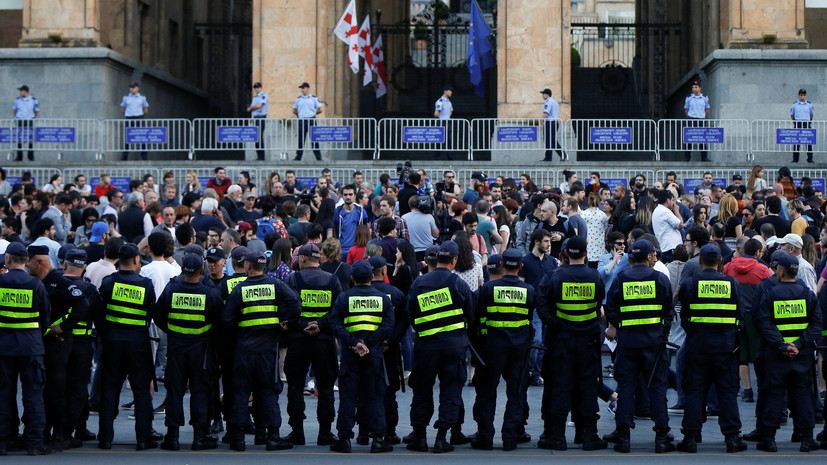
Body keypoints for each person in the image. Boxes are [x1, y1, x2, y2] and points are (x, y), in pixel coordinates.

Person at [221, 249, 299, 451]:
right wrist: (284, 321)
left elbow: (227, 321)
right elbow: (295, 304)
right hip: (267, 350)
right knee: (268, 392)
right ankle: (271, 436)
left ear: (247, 266)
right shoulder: (275, 285)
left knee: (240, 392)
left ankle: (237, 438)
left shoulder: (240, 289)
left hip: (245, 349)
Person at [535, 237, 607, 451]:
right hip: (587, 341)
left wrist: (555, 324)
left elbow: (541, 304)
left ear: (565, 253)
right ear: (585, 254)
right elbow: (598, 306)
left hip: (561, 341)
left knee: (559, 387)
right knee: (587, 387)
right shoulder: (595, 277)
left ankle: (556, 436)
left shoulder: (553, 277)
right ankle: (588, 435)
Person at [604, 239, 675, 453]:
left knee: (626, 388)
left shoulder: (621, 279)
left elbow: (612, 310)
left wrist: (621, 327)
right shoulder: (660, 279)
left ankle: (623, 435)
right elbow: (668, 311)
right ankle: (662, 436)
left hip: (628, 343)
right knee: (657, 388)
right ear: (649, 257)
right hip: (654, 344)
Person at [675, 244, 747, 453]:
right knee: (726, 392)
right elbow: (739, 315)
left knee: (694, 391)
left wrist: (695, 332)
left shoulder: (689, 284)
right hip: (725, 348)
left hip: (697, 346)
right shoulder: (731, 283)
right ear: (720, 262)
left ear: (699, 261)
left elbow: (685, 316)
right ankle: (732, 438)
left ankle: (690, 437)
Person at [405, 241, 475, 453]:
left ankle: (419, 437)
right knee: (450, 390)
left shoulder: (419, 283)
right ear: (454, 261)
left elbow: (410, 313)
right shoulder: (458, 284)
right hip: (453, 348)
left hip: (426, 347)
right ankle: (442, 438)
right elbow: (471, 315)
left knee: (422, 390)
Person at [754, 254, 822, 452]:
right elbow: (816, 324)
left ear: (781, 271)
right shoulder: (807, 295)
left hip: (777, 355)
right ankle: (806, 438)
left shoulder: (771, 294)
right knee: (803, 395)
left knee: (775, 395)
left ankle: (769, 439)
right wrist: (799, 344)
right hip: (801, 355)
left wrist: (782, 345)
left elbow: (763, 322)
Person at [154, 254, 222, 451]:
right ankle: (200, 436)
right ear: (201, 271)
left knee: (174, 391)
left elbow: (158, 316)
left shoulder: (171, 290)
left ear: (183, 270)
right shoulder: (209, 293)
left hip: (176, 349)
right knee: (200, 391)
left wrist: (174, 331)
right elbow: (221, 321)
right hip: (201, 351)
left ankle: (172, 436)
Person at [470, 248, 535, 451]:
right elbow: (529, 318)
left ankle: (485, 436)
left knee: (486, 392)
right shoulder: (529, 291)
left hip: (493, 347)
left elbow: (479, 319)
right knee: (516, 392)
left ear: (501, 265)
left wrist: (481, 340)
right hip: (519, 348)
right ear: (521, 267)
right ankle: (510, 438)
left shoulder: (489, 289)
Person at [327, 260, 395, 453]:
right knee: (375, 394)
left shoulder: (344, 298)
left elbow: (336, 323)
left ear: (352, 278)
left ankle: (344, 439)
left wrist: (354, 342)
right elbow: (388, 326)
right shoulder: (383, 299)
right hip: (373, 353)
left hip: (351, 353)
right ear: (372, 277)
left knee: (348, 396)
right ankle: (377, 439)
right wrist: (369, 343)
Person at [97, 243, 158, 450]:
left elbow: (100, 312)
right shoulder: (146, 285)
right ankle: (143, 438)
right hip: (137, 344)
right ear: (135, 260)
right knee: (141, 392)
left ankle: (105, 438)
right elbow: (151, 313)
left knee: (109, 390)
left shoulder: (108, 283)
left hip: (112, 343)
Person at [28, 244, 89, 451]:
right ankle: (40, 431)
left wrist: (63, 326)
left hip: (58, 345)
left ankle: (60, 432)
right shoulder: (34, 282)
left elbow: (82, 305)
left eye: (29, 262)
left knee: (56, 389)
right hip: (38, 344)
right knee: (39, 388)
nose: (26, 265)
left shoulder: (58, 281)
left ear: (40, 262)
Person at [282, 243, 342, 446]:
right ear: (320, 259)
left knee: (296, 386)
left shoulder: (293, 279)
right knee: (325, 388)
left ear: (304, 259)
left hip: (299, 339)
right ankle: (325, 432)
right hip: (324, 341)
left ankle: (297, 431)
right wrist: (320, 324)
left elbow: (287, 309)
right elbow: (338, 310)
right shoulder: (332, 280)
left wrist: (302, 324)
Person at [0, 242, 52, 455]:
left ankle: (3, 441)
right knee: (33, 395)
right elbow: (45, 316)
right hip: (31, 346)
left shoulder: (0, 282)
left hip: (3, 348)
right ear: (27, 261)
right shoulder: (35, 284)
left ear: (8, 259)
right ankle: (34, 443)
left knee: (3, 394)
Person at [366, 255, 408, 444]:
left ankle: (364, 431)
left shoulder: (358, 293)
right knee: (389, 391)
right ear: (384, 271)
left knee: (364, 390)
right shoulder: (396, 293)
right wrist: (391, 340)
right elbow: (404, 321)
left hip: (364, 349)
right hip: (388, 349)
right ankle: (390, 432)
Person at [61, 249, 101, 447]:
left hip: (58, 342)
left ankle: (62, 429)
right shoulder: (90, 290)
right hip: (82, 345)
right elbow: (100, 317)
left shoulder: (55, 285)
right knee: (79, 388)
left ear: (64, 264)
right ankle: (76, 429)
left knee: (59, 386)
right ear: (84, 268)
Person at [293, 82, 323, 161]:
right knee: (301, 139)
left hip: (311, 119)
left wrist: (312, 114)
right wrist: (300, 115)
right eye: (301, 88)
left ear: (308, 88)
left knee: (314, 139)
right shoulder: (299, 99)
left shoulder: (313, 98)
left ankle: (318, 157)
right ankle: (298, 156)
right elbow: (294, 110)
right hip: (302, 120)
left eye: (303, 88)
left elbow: (320, 109)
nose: (302, 90)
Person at [652, 189, 684, 263]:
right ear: (668, 200)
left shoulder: (657, 210)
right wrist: (677, 211)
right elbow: (680, 224)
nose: (673, 203)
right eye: (672, 200)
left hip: (664, 248)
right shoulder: (665, 211)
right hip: (670, 249)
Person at [120, 81, 149, 161]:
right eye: (130, 87)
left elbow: (146, 108)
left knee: (142, 137)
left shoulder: (142, 98)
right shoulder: (126, 98)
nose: (131, 89)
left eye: (133, 87)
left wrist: (141, 114)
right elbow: (123, 108)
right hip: (129, 118)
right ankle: (124, 157)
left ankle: (144, 157)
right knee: (127, 138)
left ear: (137, 88)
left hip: (139, 118)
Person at [683, 80, 710, 162]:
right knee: (689, 139)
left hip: (701, 119)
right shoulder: (689, 98)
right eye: (693, 88)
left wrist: (703, 116)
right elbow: (686, 109)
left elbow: (707, 109)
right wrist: (689, 116)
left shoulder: (704, 98)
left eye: (696, 87)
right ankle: (687, 157)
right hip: (692, 119)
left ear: (700, 88)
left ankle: (704, 157)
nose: (694, 89)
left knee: (702, 139)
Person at [13, 84, 38, 162]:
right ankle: (19, 156)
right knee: (19, 139)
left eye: (21, 91)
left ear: (25, 91)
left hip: (29, 120)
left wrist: (31, 117)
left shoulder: (33, 100)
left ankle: (31, 156)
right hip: (20, 120)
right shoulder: (17, 100)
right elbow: (15, 110)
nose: (20, 92)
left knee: (30, 139)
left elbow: (36, 111)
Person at [791, 88, 815, 163]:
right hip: (798, 124)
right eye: (801, 95)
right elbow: (792, 115)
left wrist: (808, 122)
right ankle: (795, 159)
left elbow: (811, 115)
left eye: (804, 95)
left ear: (806, 96)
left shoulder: (809, 104)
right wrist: (796, 122)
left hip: (806, 124)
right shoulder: (795, 105)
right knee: (796, 143)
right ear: (799, 95)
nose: (802, 97)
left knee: (808, 142)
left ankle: (810, 159)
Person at [246, 82, 269, 161]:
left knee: (259, 137)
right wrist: (255, 108)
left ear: (261, 88)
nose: (256, 89)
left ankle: (261, 156)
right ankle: (259, 155)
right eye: (255, 87)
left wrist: (252, 108)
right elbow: (256, 107)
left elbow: (259, 106)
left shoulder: (263, 96)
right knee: (257, 137)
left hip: (261, 117)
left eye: (258, 87)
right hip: (256, 117)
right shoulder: (255, 98)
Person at [540, 88, 564, 161]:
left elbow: (546, 113)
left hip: (549, 123)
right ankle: (563, 154)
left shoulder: (548, 102)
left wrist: (541, 123)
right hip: (555, 123)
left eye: (543, 94)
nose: (542, 95)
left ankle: (548, 157)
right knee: (552, 141)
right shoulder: (554, 102)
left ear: (547, 94)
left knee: (548, 140)